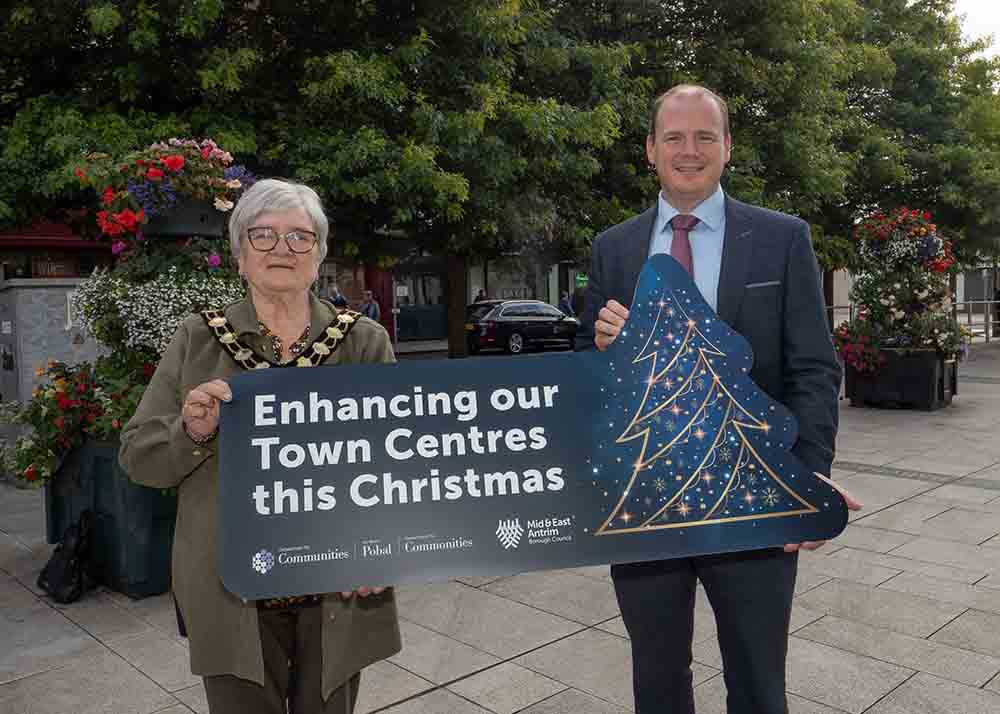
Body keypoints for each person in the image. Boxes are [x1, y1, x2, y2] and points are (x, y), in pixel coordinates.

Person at [575, 85, 861, 714]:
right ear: (650, 150)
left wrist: (806, 478)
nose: (690, 150)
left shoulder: (783, 239)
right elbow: (588, 381)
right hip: (646, 505)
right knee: (656, 684)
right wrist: (598, 349)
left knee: (759, 685)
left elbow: (814, 366)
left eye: (705, 136)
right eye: (674, 137)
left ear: (728, 147)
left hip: (753, 500)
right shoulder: (614, 247)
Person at [119, 179, 400, 714]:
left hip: (338, 583)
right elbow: (139, 457)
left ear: (318, 255)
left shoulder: (363, 342)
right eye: (263, 235)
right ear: (239, 255)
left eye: (299, 237)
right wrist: (194, 432)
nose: (281, 249)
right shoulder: (198, 338)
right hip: (230, 589)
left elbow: (397, 466)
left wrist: (382, 548)